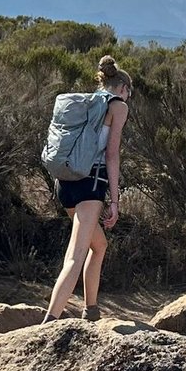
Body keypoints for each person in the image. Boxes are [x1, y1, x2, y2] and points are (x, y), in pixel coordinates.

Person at [43, 55, 132, 322]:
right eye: (130, 93)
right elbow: (112, 155)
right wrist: (114, 201)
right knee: (76, 255)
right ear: (123, 88)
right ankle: (49, 322)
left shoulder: (84, 102)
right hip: (91, 184)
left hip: (65, 182)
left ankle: (91, 311)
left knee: (99, 244)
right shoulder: (118, 106)